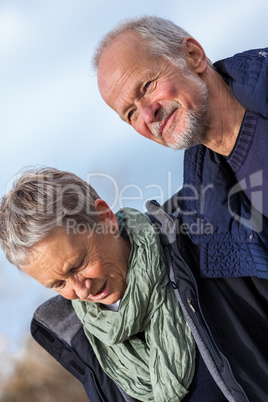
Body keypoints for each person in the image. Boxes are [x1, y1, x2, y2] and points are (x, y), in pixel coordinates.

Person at [1, 167, 268, 401]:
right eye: (58, 283)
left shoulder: (207, 245)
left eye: (78, 264)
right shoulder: (81, 340)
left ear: (106, 219)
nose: (81, 290)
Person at [92, 16, 268, 281]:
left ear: (193, 56)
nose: (148, 115)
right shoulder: (207, 214)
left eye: (147, 86)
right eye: (130, 114)